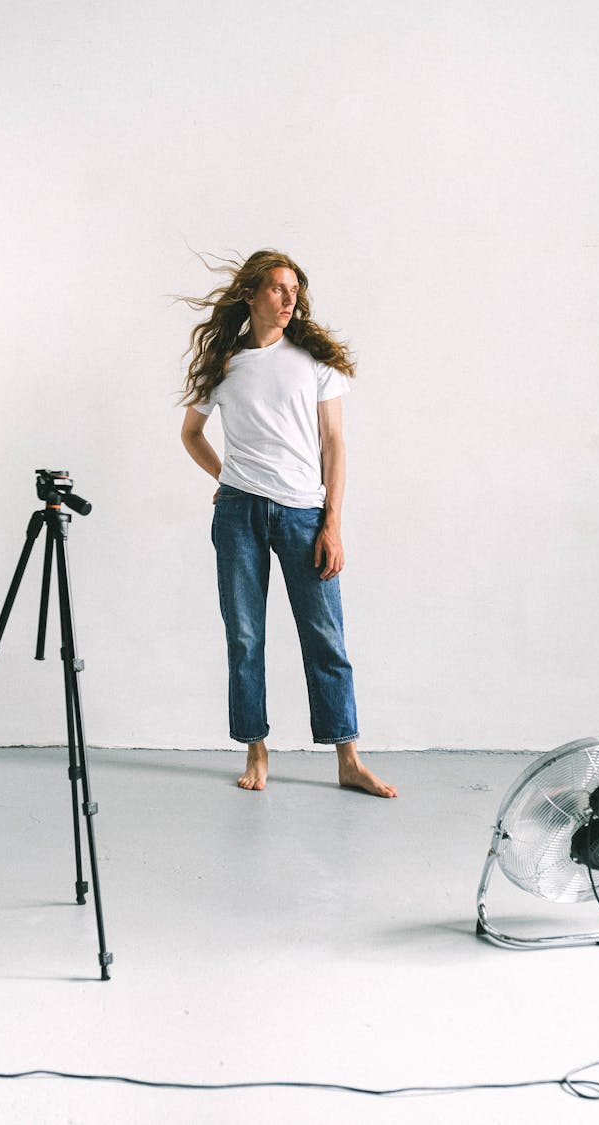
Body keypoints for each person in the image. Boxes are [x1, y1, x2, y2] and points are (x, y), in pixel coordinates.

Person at [180, 250, 396, 798]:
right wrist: (228, 475)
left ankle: (348, 758)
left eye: (295, 288)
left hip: (305, 513)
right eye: (278, 288)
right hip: (238, 513)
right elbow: (191, 434)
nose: (289, 297)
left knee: (325, 636)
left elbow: (335, 444)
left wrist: (333, 524)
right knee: (245, 636)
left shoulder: (314, 361)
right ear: (251, 295)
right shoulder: (225, 365)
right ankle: (256, 748)